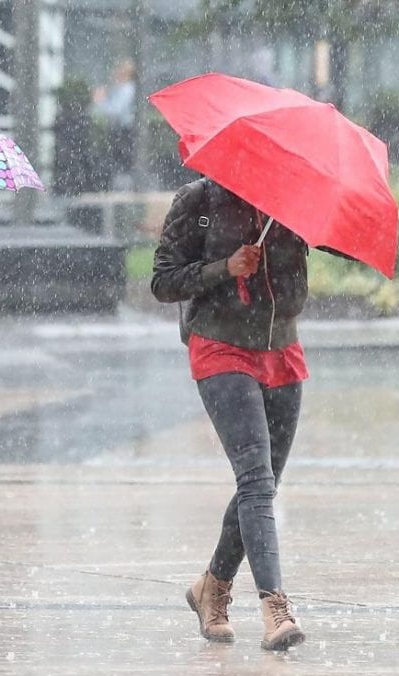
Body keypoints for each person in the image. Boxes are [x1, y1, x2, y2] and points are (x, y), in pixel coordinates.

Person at [151, 177, 309, 651]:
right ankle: (275, 608)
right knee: (256, 482)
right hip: (219, 346)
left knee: (260, 484)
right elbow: (162, 281)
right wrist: (226, 266)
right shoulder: (199, 200)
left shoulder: (292, 201)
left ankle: (212, 587)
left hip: (281, 349)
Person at [92, 58, 137, 181]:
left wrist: (100, 101)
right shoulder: (121, 89)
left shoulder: (127, 89)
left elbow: (115, 110)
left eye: (121, 71)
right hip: (120, 130)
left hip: (125, 130)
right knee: (119, 159)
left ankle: (124, 184)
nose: (116, 73)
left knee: (123, 160)